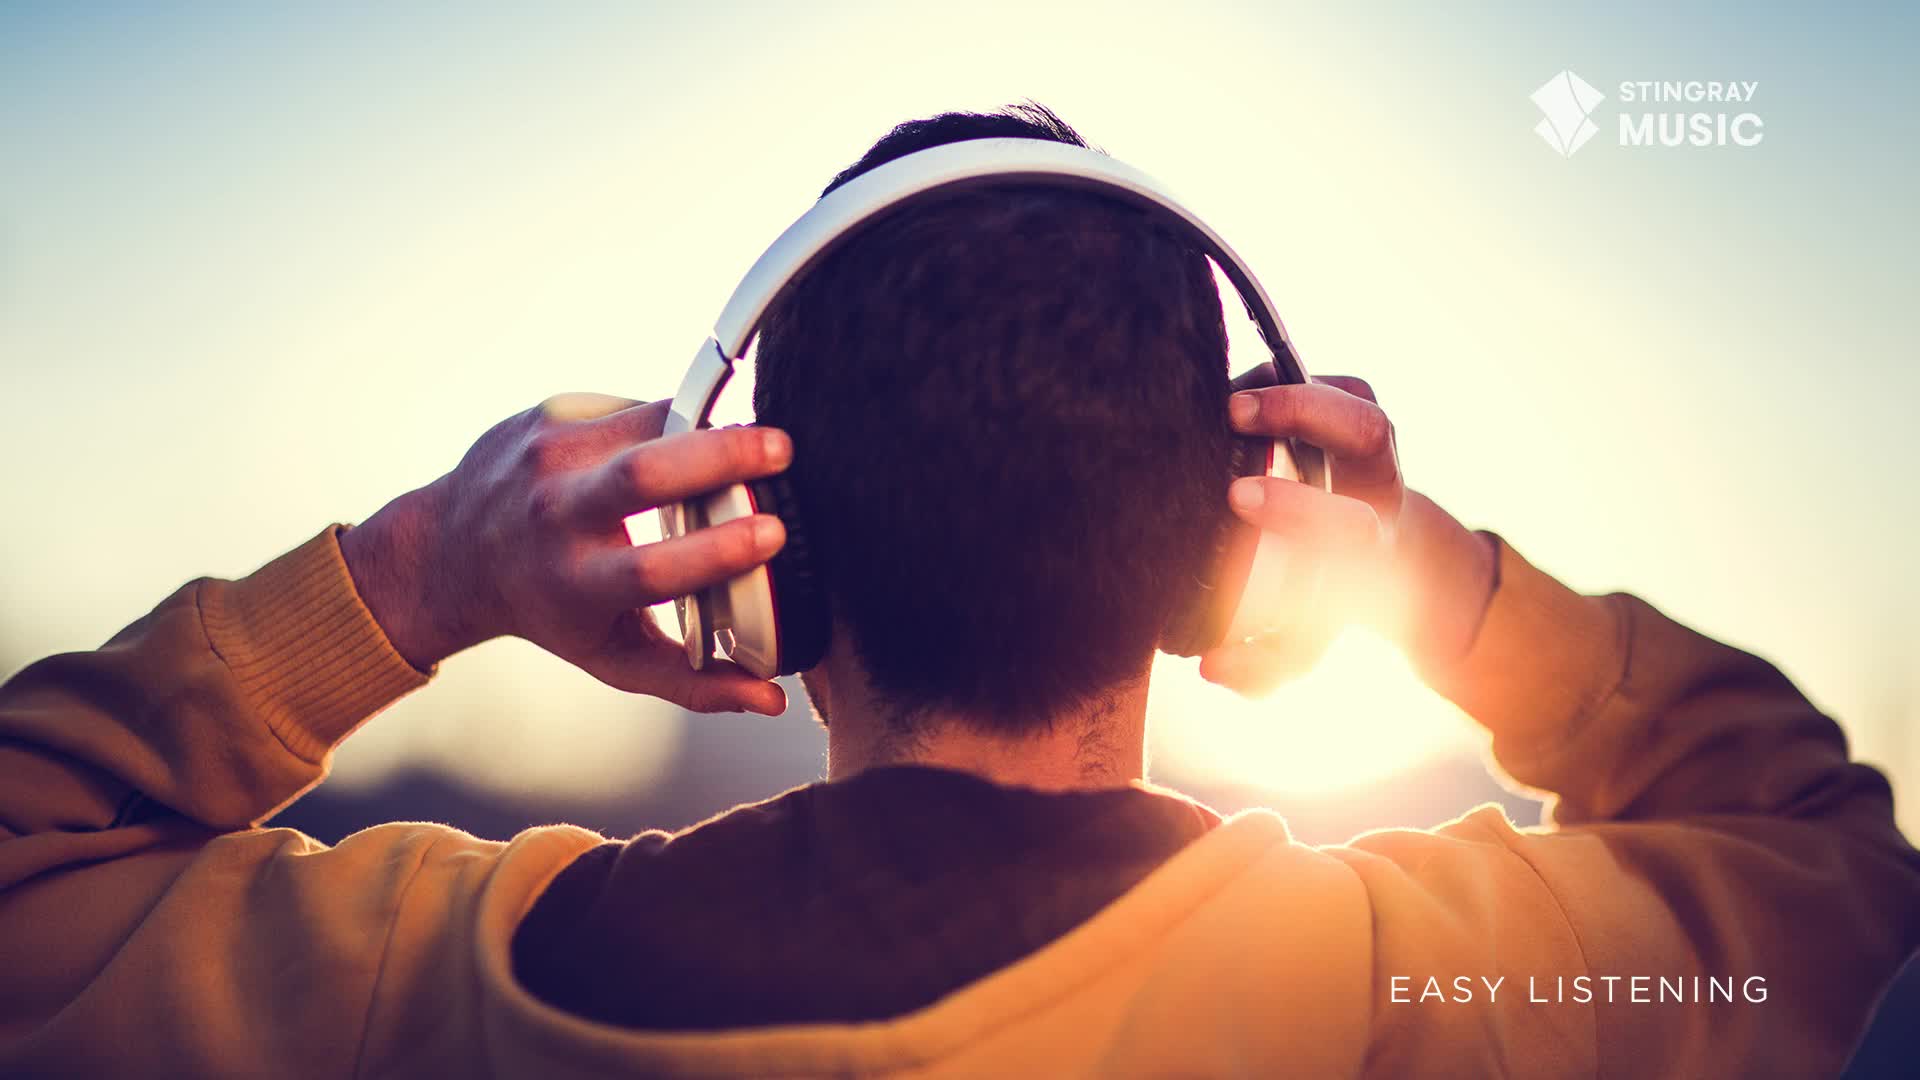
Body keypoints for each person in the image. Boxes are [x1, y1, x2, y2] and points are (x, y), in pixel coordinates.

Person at [1, 105, 1914, 1079]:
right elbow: (1823, 866)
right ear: (1224, 548)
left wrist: (426, 569)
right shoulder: (1413, 992)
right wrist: (1436, 586)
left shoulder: (438, 984)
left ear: (766, 571)